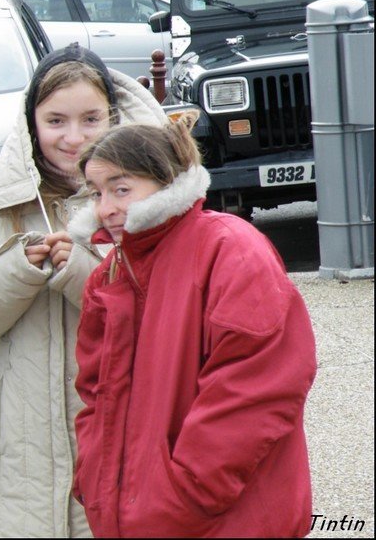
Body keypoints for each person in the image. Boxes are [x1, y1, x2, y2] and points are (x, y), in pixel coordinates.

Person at [0, 44, 166, 538]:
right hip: (25, 450)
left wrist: (80, 272)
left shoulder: (154, 192)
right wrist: (17, 268)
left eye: (91, 119)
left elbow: (165, 308)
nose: (74, 137)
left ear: (115, 116)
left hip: (127, 434)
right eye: (56, 120)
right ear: (30, 123)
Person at [70, 116, 316, 537]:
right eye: (97, 193)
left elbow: (256, 388)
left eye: (121, 188)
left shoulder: (229, 249)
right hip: (139, 514)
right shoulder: (111, 273)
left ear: (167, 181)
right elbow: (97, 394)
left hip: (224, 517)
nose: (105, 207)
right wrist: (96, 479)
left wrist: (187, 492)